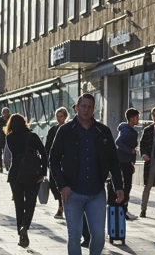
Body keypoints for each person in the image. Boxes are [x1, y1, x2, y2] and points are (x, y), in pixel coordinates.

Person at [49, 93, 124, 255]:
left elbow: (113, 161)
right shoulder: (65, 130)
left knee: (98, 235)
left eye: (90, 107)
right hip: (72, 193)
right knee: (74, 236)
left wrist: (119, 186)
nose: (86, 110)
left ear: (94, 109)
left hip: (96, 192)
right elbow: (53, 160)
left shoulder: (102, 131)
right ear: (76, 108)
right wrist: (62, 186)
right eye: (83, 106)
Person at [6, 113, 48, 247]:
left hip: (15, 174)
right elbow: (44, 153)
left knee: (19, 205)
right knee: (30, 204)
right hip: (32, 174)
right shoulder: (33, 136)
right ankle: (25, 226)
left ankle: (21, 235)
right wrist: (43, 172)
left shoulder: (10, 137)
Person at [45, 106, 70, 219]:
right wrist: (46, 160)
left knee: (63, 184)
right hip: (54, 162)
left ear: (65, 117)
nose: (59, 118)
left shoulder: (69, 129)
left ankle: (61, 207)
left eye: (61, 116)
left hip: (65, 162)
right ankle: (61, 202)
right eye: (57, 116)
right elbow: (47, 146)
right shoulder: (53, 130)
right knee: (52, 185)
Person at [115, 108, 140, 220]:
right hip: (123, 161)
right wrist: (130, 150)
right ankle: (123, 210)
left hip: (126, 162)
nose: (138, 119)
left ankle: (123, 209)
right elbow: (118, 142)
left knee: (126, 186)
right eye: (136, 117)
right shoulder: (127, 130)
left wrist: (131, 163)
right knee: (127, 186)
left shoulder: (128, 129)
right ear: (131, 119)